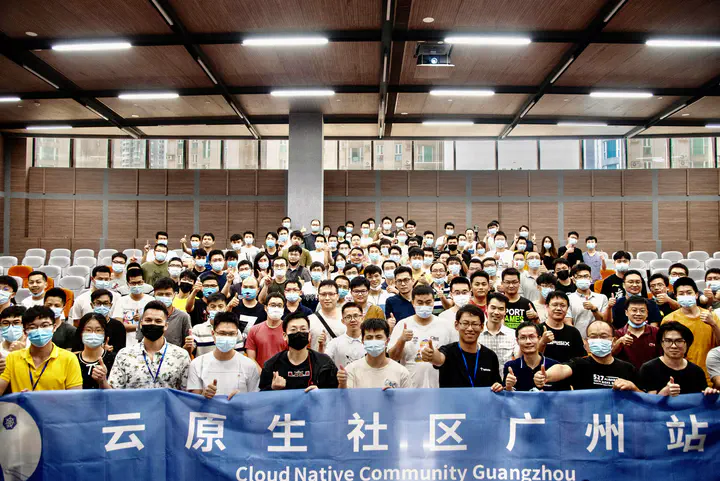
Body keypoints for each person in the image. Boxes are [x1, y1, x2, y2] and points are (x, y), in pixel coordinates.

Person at [534, 319, 640, 391]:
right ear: (587, 341)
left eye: (604, 336)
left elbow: (644, 397)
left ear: (613, 341)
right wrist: (546, 376)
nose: (598, 340)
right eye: (593, 336)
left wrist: (633, 388)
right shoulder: (579, 364)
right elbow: (562, 369)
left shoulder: (627, 368)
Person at [108, 301, 191, 389]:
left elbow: (186, 392)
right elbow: (114, 390)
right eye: (148, 320)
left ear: (166, 326)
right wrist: (102, 380)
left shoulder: (181, 356)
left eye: (158, 321)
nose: (153, 323)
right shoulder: (124, 354)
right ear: (140, 324)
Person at [0, 306, 83, 394]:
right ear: (25, 332)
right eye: (32, 327)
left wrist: (37, 399)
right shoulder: (12, 358)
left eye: (44, 325)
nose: (39, 330)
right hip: (22, 403)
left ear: (54, 327)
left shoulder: (69, 358)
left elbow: (75, 397)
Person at [420, 304, 504, 391]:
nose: (470, 329)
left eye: (475, 324)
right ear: (456, 325)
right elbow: (439, 359)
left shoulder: (490, 356)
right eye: (465, 323)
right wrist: (432, 355)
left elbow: (497, 384)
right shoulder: (448, 351)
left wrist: (498, 387)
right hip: (452, 400)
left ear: (482, 327)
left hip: (482, 400)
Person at [388, 285, 456, 388]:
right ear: (413, 303)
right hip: (410, 386)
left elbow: (455, 356)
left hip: (440, 387)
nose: (424, 306)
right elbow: (393, 357)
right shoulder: (402, 324)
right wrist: (401, 340)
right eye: (420, 303)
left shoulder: (446, 325)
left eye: (428, 302)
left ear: (433, 302)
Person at [661, 277, 720, 384]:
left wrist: (713, 324)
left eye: (689, 293)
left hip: (710, 376)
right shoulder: (669, 319)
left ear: (696, 295)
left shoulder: (711, 316)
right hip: (681, 377)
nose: (685, 296)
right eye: (681, 294)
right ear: (676, 296)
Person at [187, 312, 260, 399]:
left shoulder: (249, 366)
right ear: (213, 334)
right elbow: (193, 401)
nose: (227, 337)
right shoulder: (197, 364)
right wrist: (204, 395)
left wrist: (242, 398)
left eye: (231, 334)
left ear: (237, 335)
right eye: (222, 333)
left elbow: (254, 400)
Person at [259, 312, 338, 391]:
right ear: (285, 336)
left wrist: (320, 392)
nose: (299, 333)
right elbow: (262, 394)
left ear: (309, 335)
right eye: (293, 330)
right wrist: (273, 389)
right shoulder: (272, 365)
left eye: (303, 329)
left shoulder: (324, 363)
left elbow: (335, 392)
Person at [640, 321, 717, 395]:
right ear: (661, 343)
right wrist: (663, 393)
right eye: (668, 341)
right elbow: (646, 401)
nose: (673, 346)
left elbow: (701, 397)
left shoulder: (696, 371)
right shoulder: (649, 369)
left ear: (687, 344)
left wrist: (709, 393)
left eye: (679, 341)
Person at [338, 318, 410, 389]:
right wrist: (342, 384)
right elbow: (344, 395)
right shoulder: (351, 370)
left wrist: (394, 394)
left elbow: (408, 396)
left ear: (387, 341)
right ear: (362, 341)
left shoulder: (401, 372)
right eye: (369, 337)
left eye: (378, 337)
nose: (374, 341)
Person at [136, 278, 193, 354]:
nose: (164, 297)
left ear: (174, 295)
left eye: (168, 294)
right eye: (160, 294)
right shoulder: (146, 317)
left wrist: (187, 347)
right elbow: (140, 343)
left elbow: (189, 346)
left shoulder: (183, 317)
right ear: (154, 294)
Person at [503, 322, 560, 391]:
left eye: (532, 337)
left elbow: (564, 394)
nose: (528, 341)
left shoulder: (554, 366)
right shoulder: (510, 366)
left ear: (539, 338)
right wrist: (509, 387)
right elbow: (505, 395)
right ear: (517, 341)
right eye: (523, 338)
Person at [612, 296, 661, 369]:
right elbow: (610, 355)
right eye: (634, 310)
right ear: (626, 312)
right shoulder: (618, 334)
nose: (638, 314)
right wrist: (619, 342)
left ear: (647, 313)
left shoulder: (656, 332)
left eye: (642, 311)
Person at [538, 291, 586, 363]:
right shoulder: (537, 329)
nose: (558, 308)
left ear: (567, 308)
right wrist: (543, 342)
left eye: (563, 305)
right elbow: (531, 357)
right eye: (555, 305)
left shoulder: (573, 332)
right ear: (547, 306)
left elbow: (580, 358)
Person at [111, 267, 155, 346]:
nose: (136, 285)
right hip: (126, 343)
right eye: (133, 283)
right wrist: (141, 326)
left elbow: (153, 325)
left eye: (139, 282)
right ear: (128, 284)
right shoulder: (121, 300)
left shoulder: (151, 300)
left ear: (143, 282)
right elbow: (119, 326)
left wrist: (135, 324)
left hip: (146, 343)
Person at [478, 292, 518, 376]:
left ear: (505, 311)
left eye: (501, 309)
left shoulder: (513, 334)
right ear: (486, 308)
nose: (496, 312)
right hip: (481, 381)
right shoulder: (477, 333)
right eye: (493, 308)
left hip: (505, 380)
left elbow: (518, 357)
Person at [245, 292, 288, 367]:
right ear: (265, 308)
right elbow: (251, 358)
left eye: (279, 305)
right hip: (259, 372)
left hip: (283, 372)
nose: (276, 308)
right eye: (273, 305)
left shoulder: (288, 330)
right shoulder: (254, 330)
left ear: (283, 309)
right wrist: (262, 373)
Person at [75, 312, 115, 389]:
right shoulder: (72, 360)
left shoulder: (114, 359)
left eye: (98, 330)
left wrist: (103, 380)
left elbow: (116, 394)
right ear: (81, 333)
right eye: (88, 330)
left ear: (105, 334)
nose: (93, 334)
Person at [568, 263, 608, 338]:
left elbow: (606, 321)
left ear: (590, 278)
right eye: (579, 277)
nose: (583, 279)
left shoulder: (602, 298)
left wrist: (594, 309)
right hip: (577, 340)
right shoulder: (568, 299)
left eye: (586, 276)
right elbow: (568, 323)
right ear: (573, 280)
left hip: (598, 340)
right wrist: (579, 340)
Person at [84, 288, 127, 353]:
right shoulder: (85, 323)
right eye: (98, 303)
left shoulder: (118, 326)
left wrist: (109, 351)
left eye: (105, 303)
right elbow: (76, 351)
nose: (102, 306)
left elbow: (121, 352)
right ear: (92, 305)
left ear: (110, 305)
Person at [323, 302, 366, 367]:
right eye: (348, 317)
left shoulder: (370, 342)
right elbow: (324, 362)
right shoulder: (334, 343)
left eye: (356, 316)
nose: (353, 320)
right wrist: (321, 347)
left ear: (362, 318)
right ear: (343, 321)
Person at [308, 280, 344, 351]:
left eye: (331, 294)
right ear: (318, 296)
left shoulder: (346, 317)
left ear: (337, 296)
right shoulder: (310, 320)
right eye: (323, 294)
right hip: (318, 357)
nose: (327, 298)